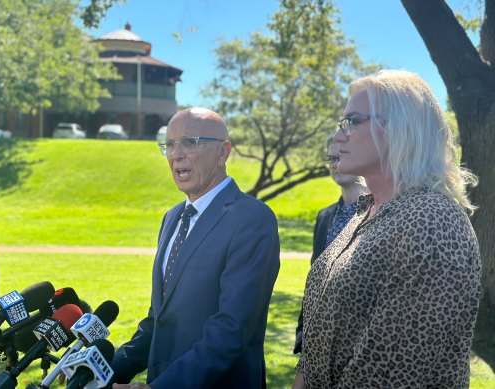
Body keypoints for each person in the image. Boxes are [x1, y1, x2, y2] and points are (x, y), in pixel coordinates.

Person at [293, 70, 482, 388]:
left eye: (352, 121)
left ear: (398, 129)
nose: (339, 137)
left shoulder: (431, 225)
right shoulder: (364, 211)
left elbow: (388, 374)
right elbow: (318, 338)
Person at [111, 107, 280, 389]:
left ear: (223, 152)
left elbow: (231, 328)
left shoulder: (253, 220)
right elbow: (159, 320)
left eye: (190, 142)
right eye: (169, 144)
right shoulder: (172, 218)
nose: (176, 154)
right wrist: (104, 371)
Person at [293, 133, 367, 354]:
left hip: (358, 338)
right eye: (331, 159)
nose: (336, 164)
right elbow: (314, 278)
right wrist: (302, 335)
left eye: (341, 157)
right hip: (319, 336)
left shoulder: (379, 212)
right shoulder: (324, 216)